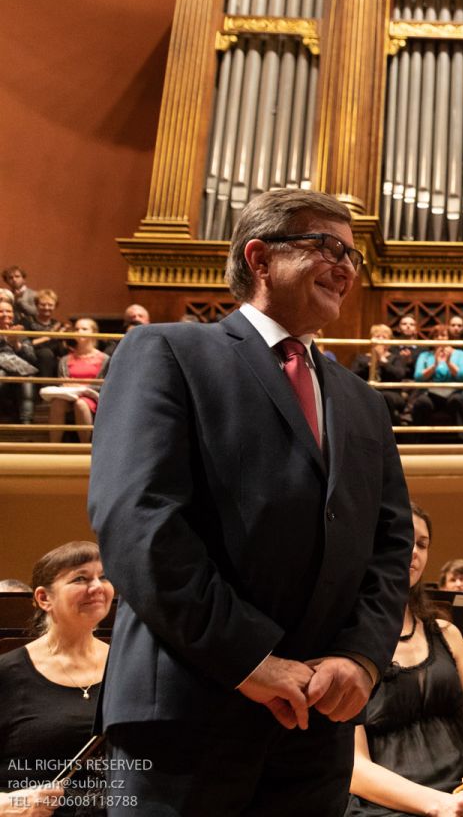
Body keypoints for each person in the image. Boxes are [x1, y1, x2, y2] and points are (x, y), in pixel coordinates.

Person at [87, 187, 414, 815]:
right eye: (327, 247)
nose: (346, 268)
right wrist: (251, 660)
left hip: (317, 727)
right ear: (260, 257)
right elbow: (139, 522)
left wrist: (360, 658)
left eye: (352, 256)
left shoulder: (364, 401)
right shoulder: (167, 352)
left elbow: (390, 544)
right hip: (187, 713)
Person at [347, 504, 463, 817]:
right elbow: (355, 767)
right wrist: (438, 804)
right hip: (392, 806)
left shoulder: (447, 633)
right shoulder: (347, 641)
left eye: (422, 544)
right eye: (403, 539)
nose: (414, 551)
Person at [0, 542, 113, 817]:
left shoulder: (130, 666)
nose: (97, 587)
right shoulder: (7, 673)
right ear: (43, 598)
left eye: (103, 577)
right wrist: (7, 805)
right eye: (80, 578)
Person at [44, 318, 108, 442]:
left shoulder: (104, 359)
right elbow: (63, 382)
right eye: (77, 329)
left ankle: (85, 446)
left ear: (94, 332)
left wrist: (82, 388)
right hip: (70, 395)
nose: (79, 332)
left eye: (84, 329)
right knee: (57, 403)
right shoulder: (65, 359)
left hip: (92, 397)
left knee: (81, 404)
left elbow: (105, 385)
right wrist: (71, 387)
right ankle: (53, 446)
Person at [411, 323, 463, 440]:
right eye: (436, 336)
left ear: (449, 338)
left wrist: (449, 363)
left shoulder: (460, 354)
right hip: (430, 394)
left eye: (443, 335)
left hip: (454, 393)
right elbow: (418, 377)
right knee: (421, 403)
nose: (440, 338)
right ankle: (418, 440)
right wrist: (435, 365)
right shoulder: (425, 355)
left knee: (456, 401)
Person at [351, 323, 412, 426]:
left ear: (389, 341)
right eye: (377, 336)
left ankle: (389, 429)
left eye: (384, 337)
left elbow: (399, 375)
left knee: (382, 397)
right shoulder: (362, 358)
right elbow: (353, 376)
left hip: (391, 394)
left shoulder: (395, 358)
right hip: (366, 392)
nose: (380, 340)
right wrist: (370, 365)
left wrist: (383, 361)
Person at [0, 298, 37, 424]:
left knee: (27, 377)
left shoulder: (19, 331)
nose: (5, 314)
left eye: (9, 311)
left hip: (18, 370)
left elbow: (32, 358)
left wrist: (16, 343)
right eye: (1, 311)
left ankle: (26, 421)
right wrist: (5, 340)